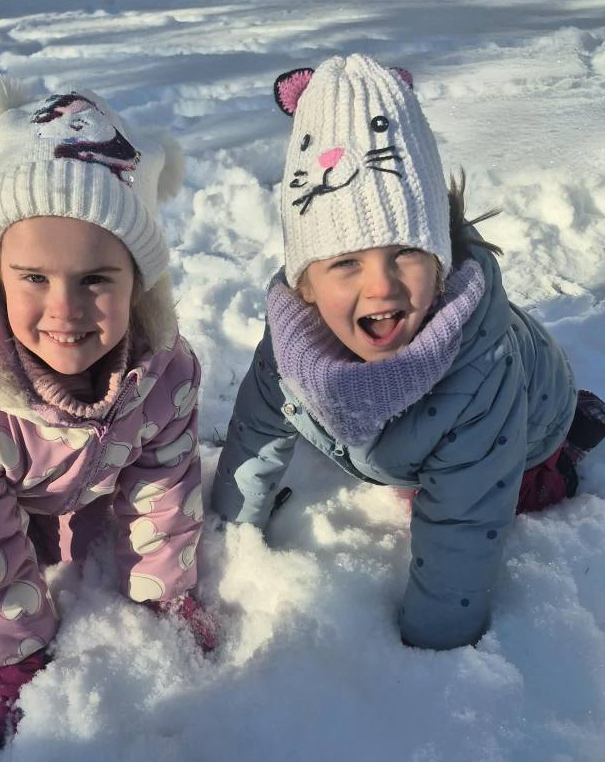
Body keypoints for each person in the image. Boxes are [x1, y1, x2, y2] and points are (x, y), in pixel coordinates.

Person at [211, 54, 605, 652]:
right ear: (305, 284)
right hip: (430, 433)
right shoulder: (290, 348)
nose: (382, 286)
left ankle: (569, 445)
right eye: (346, 262)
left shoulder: (479, 380)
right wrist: (228, 541)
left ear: (440, 260)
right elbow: (255, 435)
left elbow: (465, 526)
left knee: (513, 490)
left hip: (525, 422)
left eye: (406, 252)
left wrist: (434, 650)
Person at [0, 75, 214, 749]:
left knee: (74, 545)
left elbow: (164, 482)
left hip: (79, 476)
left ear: (136, 283)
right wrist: (19, 652)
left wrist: (163, 589)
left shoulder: (164, 375)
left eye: (95, 280)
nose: (65, 309)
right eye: (34, 278)